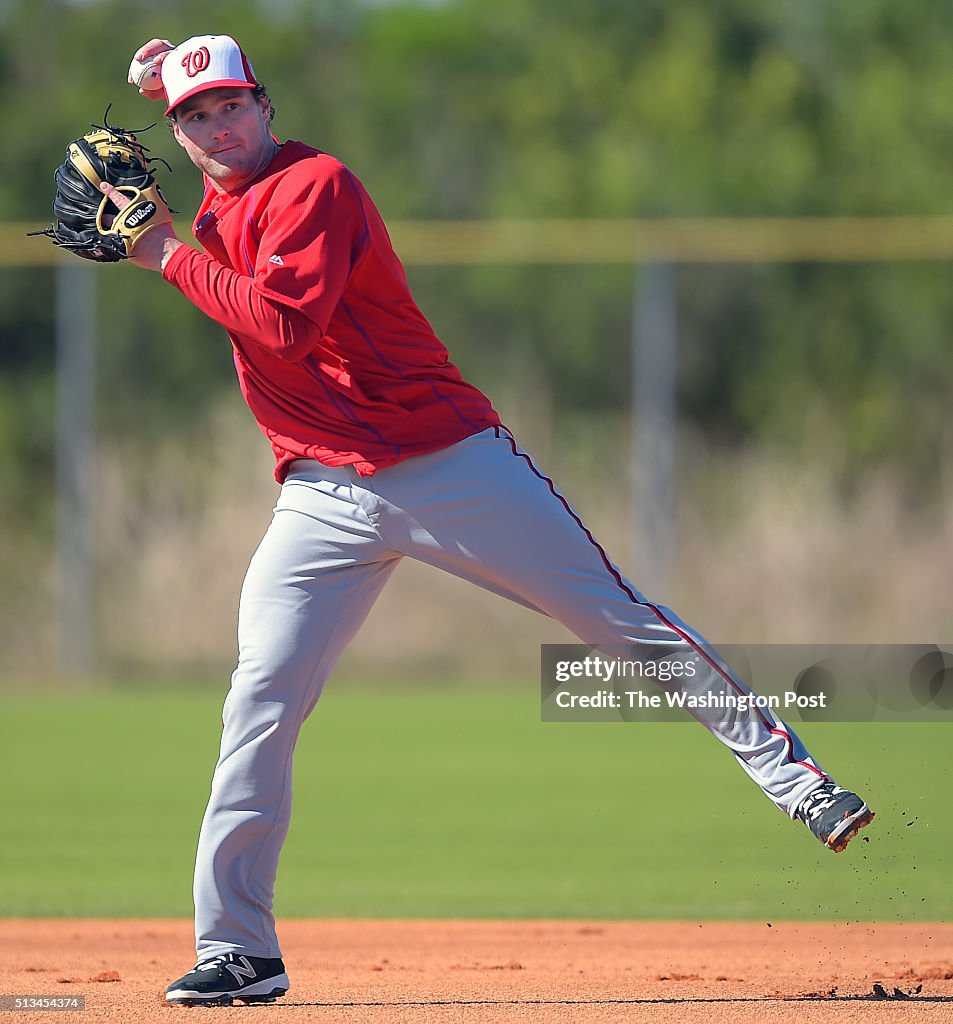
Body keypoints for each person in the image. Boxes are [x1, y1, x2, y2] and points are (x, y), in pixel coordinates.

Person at [114, 33, 873, 1007]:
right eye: (195, 115)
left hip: (447, 462)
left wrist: (164, 252)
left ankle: (795, 778)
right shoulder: (219, 194)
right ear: (178, 132)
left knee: (618, 620)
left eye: (232, 105)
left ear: (266, 106)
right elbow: (204, 210)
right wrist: (152, 88)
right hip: (317, 495)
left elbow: (286, 329)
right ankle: (240, 949)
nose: (219, 126)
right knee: (256, 699)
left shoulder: (316, 186)